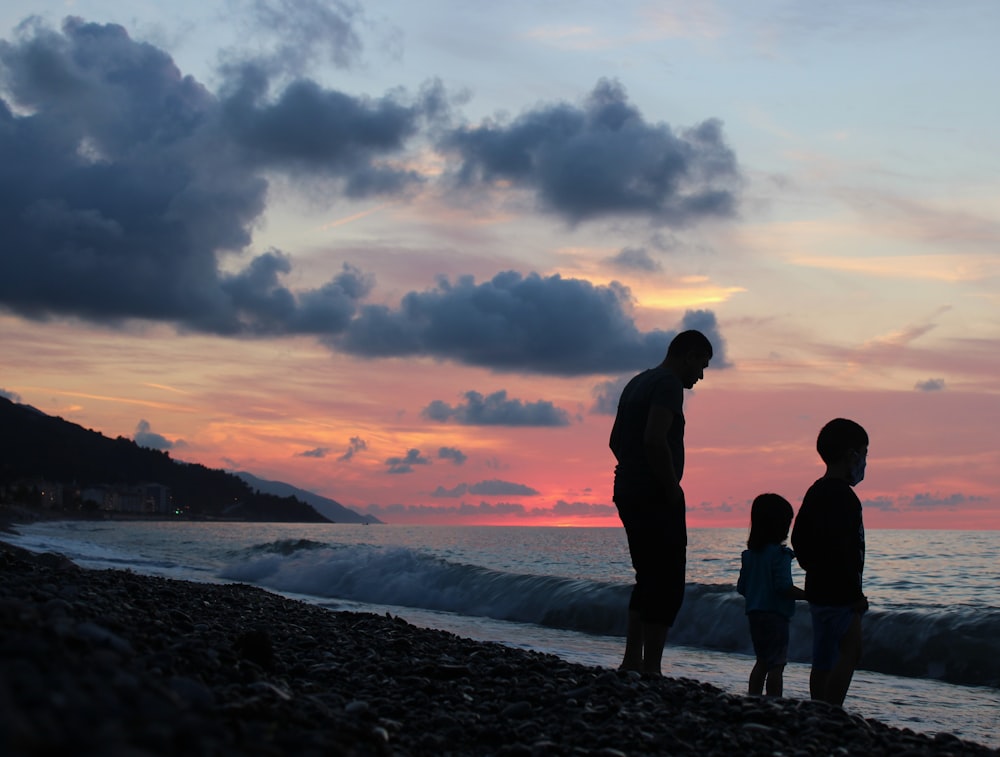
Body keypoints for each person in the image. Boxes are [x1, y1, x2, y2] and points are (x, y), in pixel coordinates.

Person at [609, 329, 713, 675]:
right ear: (690, 355)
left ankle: (631, 661)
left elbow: (614, 441)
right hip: (653, 493)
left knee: (647, 577)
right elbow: (655, 439)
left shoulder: (637, 382)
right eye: (702, 365)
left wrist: (632, 469)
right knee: (667, 581)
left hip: (626, 489)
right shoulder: (667, 385)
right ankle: (651, 667)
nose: (700, 375)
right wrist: (670, 486)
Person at [791, 418, 870, 706]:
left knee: (822, 655)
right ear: (852, 456)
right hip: (842, 596)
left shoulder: (815, 491)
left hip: (817, 590)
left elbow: (798, 537)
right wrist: (855, 596)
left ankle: (818, 705)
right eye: (864, 454)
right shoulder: (847, 499)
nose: (864, 463)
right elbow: (847, 553)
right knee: (851, 650)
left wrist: (811, 566)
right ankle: (831, 707)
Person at [737, 493, 806, 697]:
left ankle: (753, 698)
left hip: (754, 614)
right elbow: (783, 587)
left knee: (762, 661)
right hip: (776, 616)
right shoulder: (780, 555)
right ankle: (775, 702)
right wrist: (808, 595)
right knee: (777, 665)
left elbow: (742, 588)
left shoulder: (749, 556)